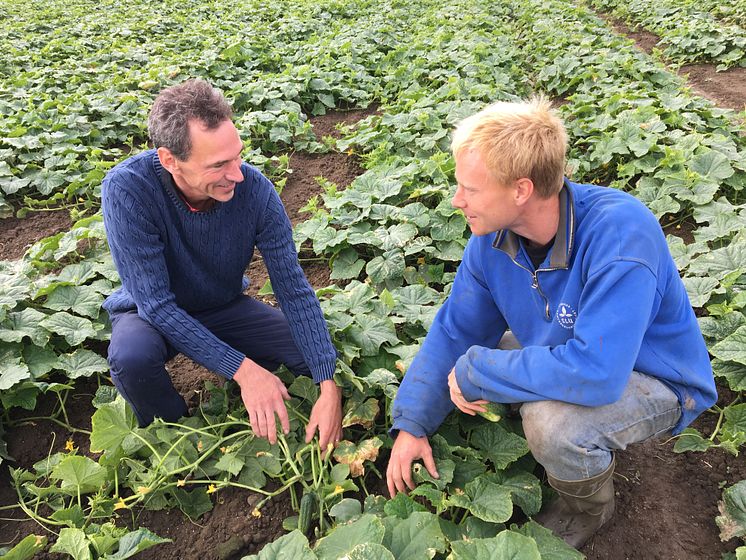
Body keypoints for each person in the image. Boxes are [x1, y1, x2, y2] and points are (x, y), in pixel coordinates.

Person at [386, 97, 717, 548]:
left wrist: (478, 372)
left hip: (659, 378)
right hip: (569, 351)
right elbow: (456, 330)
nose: (456, 199)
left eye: (470, 189)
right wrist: (412, 425)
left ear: (520, 190)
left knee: (551, 423)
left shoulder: (620, 234)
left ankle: (589, 509)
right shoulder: (493, 240)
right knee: (473, 353)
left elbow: (598, 374)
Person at [101, 79, 342, 449]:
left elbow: (292, 287)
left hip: (221, 304)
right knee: (132, 359)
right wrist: (245, 372)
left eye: (237, 155)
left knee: (307, 353)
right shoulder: (128, 189)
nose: (237, 174)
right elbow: (157, 306)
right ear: (169, 160)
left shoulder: (255, 191)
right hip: (150, 313)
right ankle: (177, 437)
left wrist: (328, 384)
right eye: (218, 165)